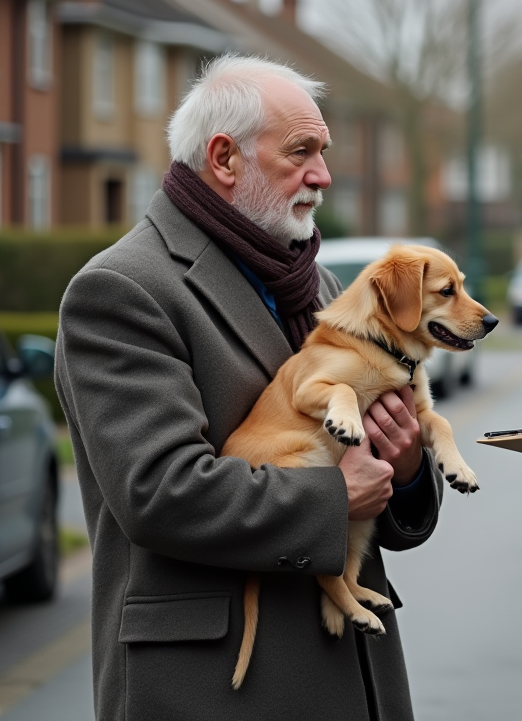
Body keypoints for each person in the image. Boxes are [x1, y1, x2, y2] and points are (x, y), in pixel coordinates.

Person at [55, 54, 441, 721]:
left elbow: (369, 475)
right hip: (216, 690)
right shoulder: (123, 289)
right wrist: (335, 495)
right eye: (301, 152)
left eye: (323, 151)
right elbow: (160, 491)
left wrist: (404, 466)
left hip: (350, 673)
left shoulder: (310, 284)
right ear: (225, 159)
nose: (322, 175)